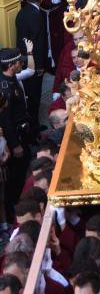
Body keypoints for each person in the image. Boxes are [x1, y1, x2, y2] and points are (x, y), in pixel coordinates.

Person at [0, 48, 32, 212]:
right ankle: (14, 210)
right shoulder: (4, 88)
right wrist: (15, 144)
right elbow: (5, 120)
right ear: (12, 65)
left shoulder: (11, 80)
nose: (22, 64)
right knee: (15, 177)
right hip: (15, 139)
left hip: (22, 134)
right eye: (20, 62)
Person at [15, 0, 48, 135]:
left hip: (22, 59)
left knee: (27, 92)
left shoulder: (21, 12)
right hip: (33, 60)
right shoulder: (37, 15)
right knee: (35, 94)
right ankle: (33, 125)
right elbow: (39, 42)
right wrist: (40, 65)